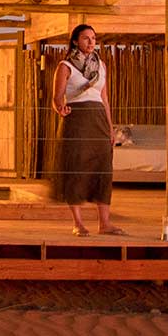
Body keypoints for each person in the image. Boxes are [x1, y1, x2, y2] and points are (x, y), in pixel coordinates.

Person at [45, 23, 125, 236]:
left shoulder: (101, 66)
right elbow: (56, 97)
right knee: (76, 168)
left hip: (99, 121)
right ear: (75, 41)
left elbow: (104, 99)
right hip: (77, 121)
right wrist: (59, 108)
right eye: (85, 38)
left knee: (103, 169)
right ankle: (78, 223)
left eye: (93, 38)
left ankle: (105, 224)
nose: (91, 42)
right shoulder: (65, 66)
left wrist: (110, 128)